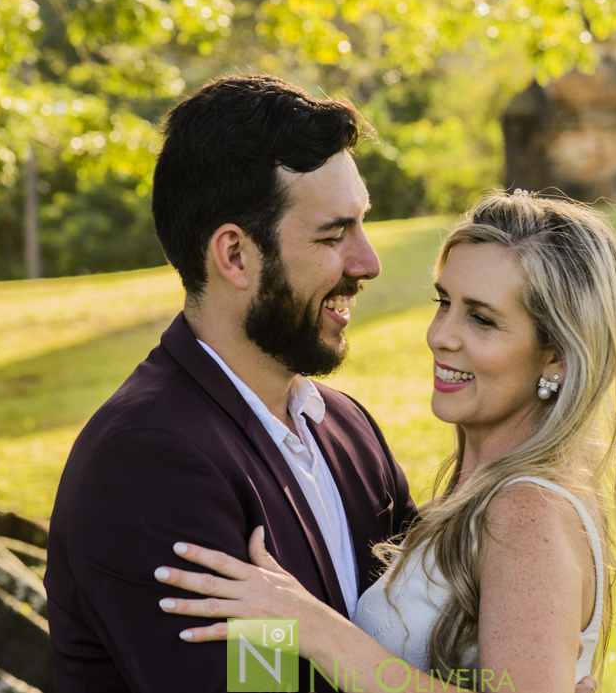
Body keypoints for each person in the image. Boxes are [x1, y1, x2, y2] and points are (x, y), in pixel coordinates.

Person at [153, 191, 616, 691]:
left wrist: (319, 631)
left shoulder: (526, 512)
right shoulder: (484, 496)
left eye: (481, 319)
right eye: (444, 302)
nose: (440, 334)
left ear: (556, 357)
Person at [45, 75, 418, 692]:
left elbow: (441, 637)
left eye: (362, 226)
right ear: (235, 256)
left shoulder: (348, 429)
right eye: (334, 234)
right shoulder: (151, 462)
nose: (368, 263)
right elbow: (262, 687)